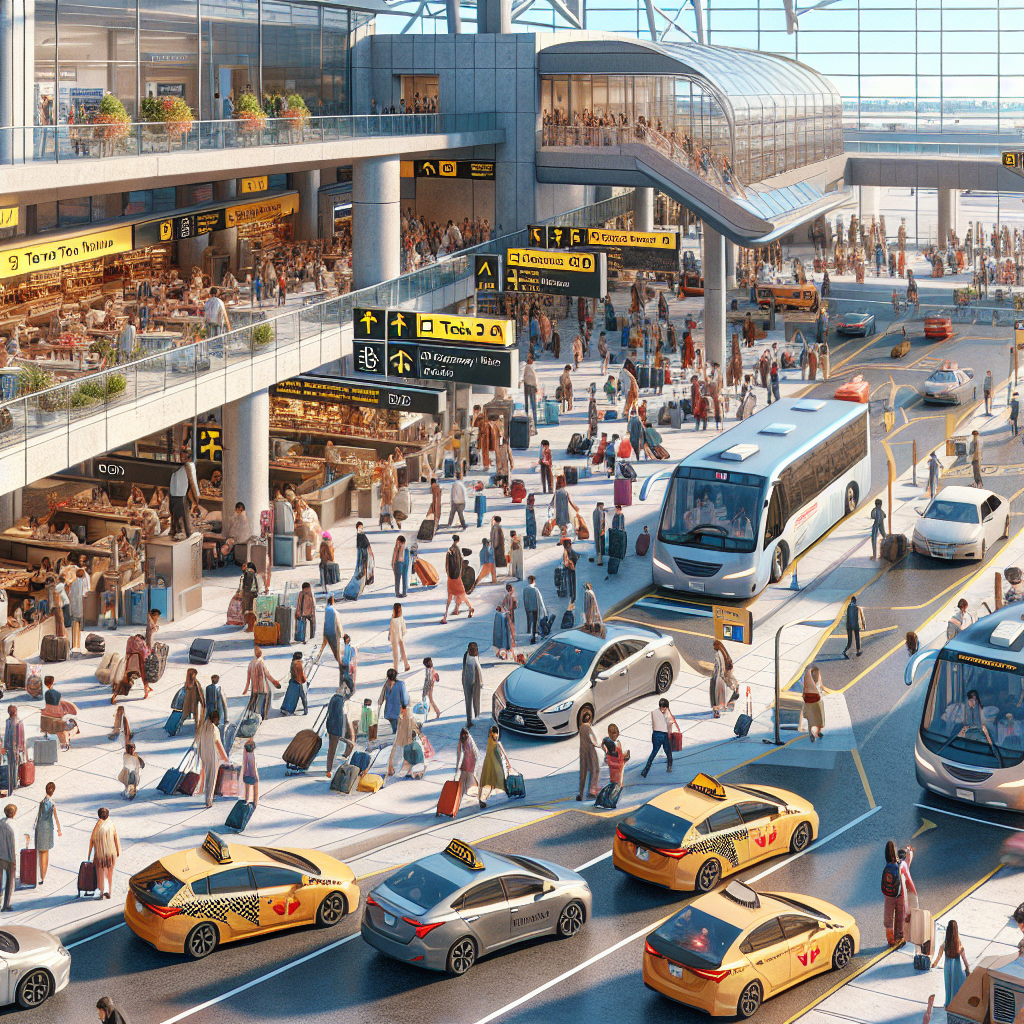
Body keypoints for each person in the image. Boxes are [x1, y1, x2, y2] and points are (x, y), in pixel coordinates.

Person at [931, 919, 970, 1007]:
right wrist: (967, 969)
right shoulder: (958, 945)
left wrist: (933, 964)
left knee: (948, 987)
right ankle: (956, 1003)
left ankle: (949, 1003)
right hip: (957, 968)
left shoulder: (944, 945)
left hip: (947, 968)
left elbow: (938, 957)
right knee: (957, 985)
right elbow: (964, 959)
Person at [195, 712, 228, 809]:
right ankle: (209, 800)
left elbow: (197, 740)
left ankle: (203, 790)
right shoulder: (214, 729)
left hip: (202, 753)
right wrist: (225, 757)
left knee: (206, 774)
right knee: (211, 777)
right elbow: (218, 744)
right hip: (211, 754)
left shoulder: (202, 726)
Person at [640, 698, 678, 778]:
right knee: (668, 751)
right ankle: (669, 765)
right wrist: (669, 734)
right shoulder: (668, 714)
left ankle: (646, 770)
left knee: (654, 752)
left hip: (656, 734)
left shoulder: (654, 712)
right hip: (664, 735)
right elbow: (670, 725)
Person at [88, 807, 121, 900]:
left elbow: (93, 841)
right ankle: (109, 891)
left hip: (101, 855)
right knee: (110, 873)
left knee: (101, 873)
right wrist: (118, 851)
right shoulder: (111, 825)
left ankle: (103, 892)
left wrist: (90, 854)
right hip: (111, 853)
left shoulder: (98, 826)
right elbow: (116, 838)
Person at [324, 678, 355, 779]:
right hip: (336, 728)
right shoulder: (339, 700)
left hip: (333, 727)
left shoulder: (336, 698)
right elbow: (339, 716)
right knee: (333, 749)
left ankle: (329, 769)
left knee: (332, 749)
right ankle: (329, 770)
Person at [442, 536, 474, 623]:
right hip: (456, 577)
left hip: (451, 577)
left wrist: (448, 573)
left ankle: (445, 616)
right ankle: (469, 608)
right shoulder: (458, 551)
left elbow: (447, 565)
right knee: (461, 595)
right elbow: (460, 563)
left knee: (451, 596)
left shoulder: (450, 550)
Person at [34, 782, 61, 885]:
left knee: (40, 851)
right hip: (48, 828)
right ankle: (43, 876)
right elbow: (56, 818)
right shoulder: (52, 804)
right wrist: (59, 830)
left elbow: (38, 816)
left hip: (40, 828)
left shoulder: (42, 802)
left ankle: (39, 874)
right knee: (45, 852)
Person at [477, 724, 510, 807]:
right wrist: (507, 762)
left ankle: (482, 798)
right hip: (496, 766)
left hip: (488, 765)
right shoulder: (496, 744)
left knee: (488, 783)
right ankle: (508, 792)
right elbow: (501, 754)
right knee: (499, 780)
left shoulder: (489, 742)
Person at [243, 645, 281, 719]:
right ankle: (264, 716)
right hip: (262, 687)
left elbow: (248, 678)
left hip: (254, 688)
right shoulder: (261, 663)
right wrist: (275, 682)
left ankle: (248, 715)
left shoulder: (251, 663)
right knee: (267, 699)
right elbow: (267, 675)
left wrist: (246, 688)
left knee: (252, 701)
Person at [882, 838, 905, 946]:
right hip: (899, 894)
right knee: (899, 915)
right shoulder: (898, 865)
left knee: (888, 916)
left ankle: (890, 940)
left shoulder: (887, 866)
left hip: (888, 895)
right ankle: (898, 938)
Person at [168, 458, 200, 539]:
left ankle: (180, 531)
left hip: (179, 493)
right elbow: (193, 482)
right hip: (178, 493)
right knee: (179, 514)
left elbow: (192, 483)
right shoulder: (186, 466)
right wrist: (196, 497)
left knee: (178, 514)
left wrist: (196, 499)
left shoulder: (186, 466)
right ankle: (181, 532)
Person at [578, 707, 601, 801]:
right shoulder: (588, 729)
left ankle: (580, 793)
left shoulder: (581, 727)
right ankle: (592, 791)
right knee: (595, 770)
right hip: (590, 751)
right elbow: (593, 741)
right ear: (590, 719)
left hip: (582, 751)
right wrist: (600, 745)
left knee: (583, 773)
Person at [455, 728, 481, 812]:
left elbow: (459, 753)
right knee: (466, 782)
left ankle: (459, 799)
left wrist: (457, 766)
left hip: (469, 762)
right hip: (469, 761)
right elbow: (475, 752)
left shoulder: (465, 740)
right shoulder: (467, 739)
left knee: (466, 783)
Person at [378, 667, 409, 734]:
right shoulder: (400, 684)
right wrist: (405, 705)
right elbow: (405, 697)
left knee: (395, 729)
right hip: (398, 711)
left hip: (389, 712)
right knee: (398, 730)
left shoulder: (387, 685)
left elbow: (381, 699)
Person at [800, 664, 827, 742]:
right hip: (814, 699)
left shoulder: (809, 678)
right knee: (815, 717)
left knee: (814, 716)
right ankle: (814, 733)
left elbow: (820, 685)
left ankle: (815, 733)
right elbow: (820, 686)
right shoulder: (809, 679)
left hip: (813, 699)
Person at [3, 707, 24, 796]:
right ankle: (10, 786)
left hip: (16, 748)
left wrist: (20, 749)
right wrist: (4, 746)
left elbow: (21, 736)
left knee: (15, 766)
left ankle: (14, 785)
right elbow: (6, 734)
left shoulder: (18, 722)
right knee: (9, 767)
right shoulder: (7, 721)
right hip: (8, 748)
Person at [462, 642, 483, 728]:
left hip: (473, 679)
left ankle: (476, 718)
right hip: (468, 679)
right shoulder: (469, 656)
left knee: (475, 700)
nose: (475, 654)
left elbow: (478, 669)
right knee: (470, 700)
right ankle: (470, 720)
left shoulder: (470, 656)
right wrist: (481, 682)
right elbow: (479, 669)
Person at [283, 651, 309, 716]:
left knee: (290, 697)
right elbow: (301, 675)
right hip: (300, 683)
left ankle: (287, 709)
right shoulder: (299, 664)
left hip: (293, 682)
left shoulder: (293, 663)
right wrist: (305, 681)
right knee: (303, 697)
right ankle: (305, 710)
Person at [181, 667, 206, 732]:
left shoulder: (196, 683)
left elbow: (200, 692)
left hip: (194, 702)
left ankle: (197, 728)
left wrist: (202, 701)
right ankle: (178, 727)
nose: (194, 676)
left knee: (195, 715)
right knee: (184, 715)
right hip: (187, 702)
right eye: (193, 674)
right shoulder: (187, 684)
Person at [318, 595, 341, 665]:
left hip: (327, 631)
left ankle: (318, 658)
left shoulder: (327, 609)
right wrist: (340, 633)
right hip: (332, 632)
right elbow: (337, 622)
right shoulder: (332, 610)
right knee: (336, 648)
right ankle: (340, 662)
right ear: (332, 601)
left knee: (323, 646)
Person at [389, 603, 411, 673]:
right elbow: (403, 628)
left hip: (394, 638)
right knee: (402, 651)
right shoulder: (401, 618)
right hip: (400, 637)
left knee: (395, 654)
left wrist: (390, 636)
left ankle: (396, 669)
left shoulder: (393, 619)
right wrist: (402, 634)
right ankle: (406, 665)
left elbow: (391, 629)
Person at [0, 805, 13, 912]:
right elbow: (13, 844)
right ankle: (6, 904)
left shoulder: (0, 824)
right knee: (9, 881)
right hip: (8, 857)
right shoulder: (11, 828)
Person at [521, 356, 539, 429]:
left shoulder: (526, 368)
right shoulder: (530, 368)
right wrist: (536, 386)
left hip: (527, 386)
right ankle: (534, 420)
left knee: (527, 404)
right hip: (531, 386)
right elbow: (533, 378)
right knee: (532, 404)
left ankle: (527, 417)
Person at [241, 739, 259, 807]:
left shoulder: (245, 752)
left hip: (247, 772)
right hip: (253, 773)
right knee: (255, 786)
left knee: (247, 786)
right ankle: (255, 801)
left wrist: (244, 772)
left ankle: (247, 798)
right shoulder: (253, 754)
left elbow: (245, 762)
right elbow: (253, 765)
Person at [562, 537, 578, 607]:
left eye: (565, 545)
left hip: (573, 570)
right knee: (570, 583)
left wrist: (571, 563)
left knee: (573, 583)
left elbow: (575, 561)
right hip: (569, 569)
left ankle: (573, 598)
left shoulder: (573, 553)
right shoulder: (567, 552)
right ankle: (572, 597)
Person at [592, 501, 606, 566]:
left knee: (598, 546)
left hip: (596, 530)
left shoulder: (595, 512)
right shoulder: (600, 513)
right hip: (599, 531)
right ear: (600, 506)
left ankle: (599, 559)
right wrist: (602, 530)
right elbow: (600, 523)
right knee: (600, 546)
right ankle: (599, 561)